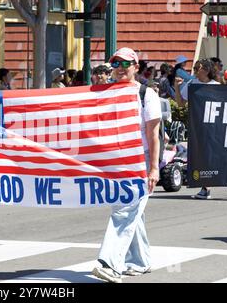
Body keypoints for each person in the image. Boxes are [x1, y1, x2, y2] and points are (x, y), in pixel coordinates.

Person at [91, 47, 161, 283]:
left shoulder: (146, 94)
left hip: (137, 160)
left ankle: (109, 263)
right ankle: (140, 261)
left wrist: (153, 168)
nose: (120, 69)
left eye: (125, 64)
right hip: (115, 161)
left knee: (125, 211)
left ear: (136, 67)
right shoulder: (104, 92)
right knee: (130, 212)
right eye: (116, 64)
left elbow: (153, 135)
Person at [174, 58, 220, 200]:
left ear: (206, 70)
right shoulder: (193, 84)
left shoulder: (217, 86)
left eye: (196, 69)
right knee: (202, 156)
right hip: (197, 126)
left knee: (215, 156)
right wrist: (177, 87)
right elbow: (181, 104)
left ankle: (209, 186)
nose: (193, 72)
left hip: (215, 127)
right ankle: (205, 187)